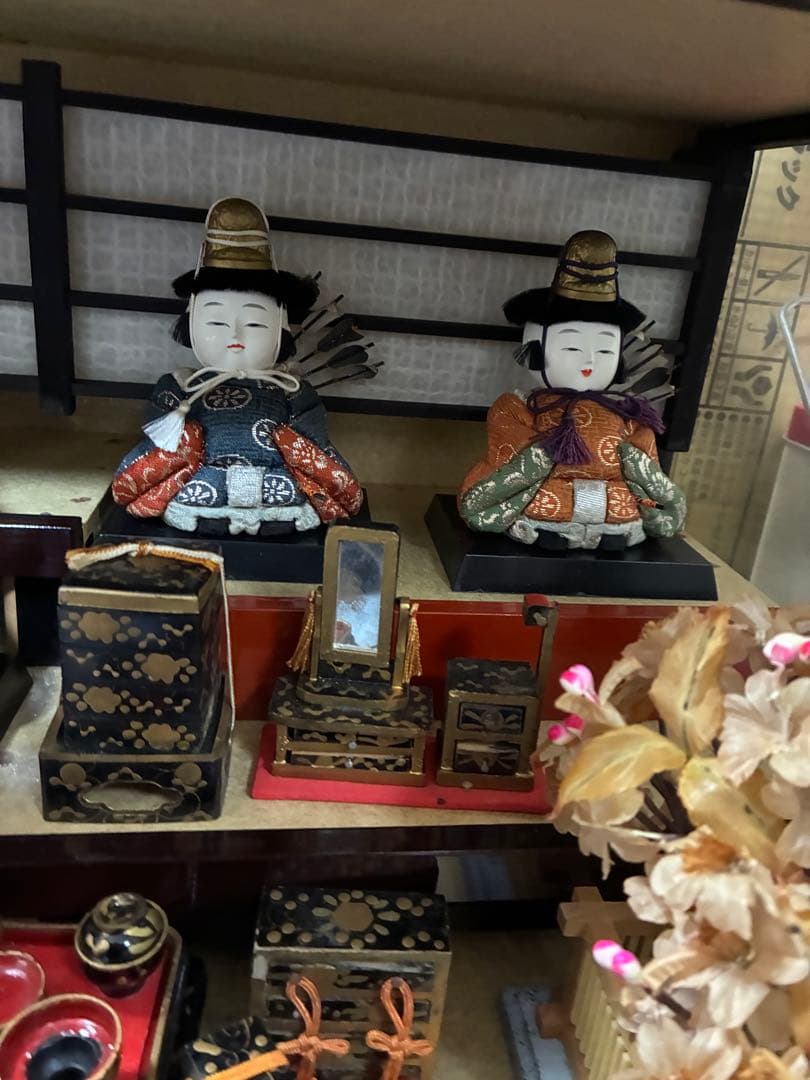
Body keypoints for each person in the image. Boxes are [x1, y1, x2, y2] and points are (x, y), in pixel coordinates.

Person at [112, 197, 363, 536]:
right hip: (201, 479)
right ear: (191, 324)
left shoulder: (292, 389)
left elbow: (313, 444)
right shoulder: (182, 387)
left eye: (256, 324)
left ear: (280, 330)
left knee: (292, 489)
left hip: (276, 481)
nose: (235, 334)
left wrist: (292, 447)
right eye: (216, 322)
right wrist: (188, 443)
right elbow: (162, 444)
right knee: (189, 487)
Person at [458, 230, 686, 550]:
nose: (589, 360)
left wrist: (631, 460)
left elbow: (647, 467)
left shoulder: (627, 412)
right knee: (541, 504)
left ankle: (610, 532)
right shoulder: (520, 406)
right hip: (548, 496)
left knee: (624, 506)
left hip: (615, 501)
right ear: (533, 348)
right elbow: (507, 458)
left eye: (604, 350)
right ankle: (550, 531)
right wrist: (546, 453)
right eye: (572, 348)